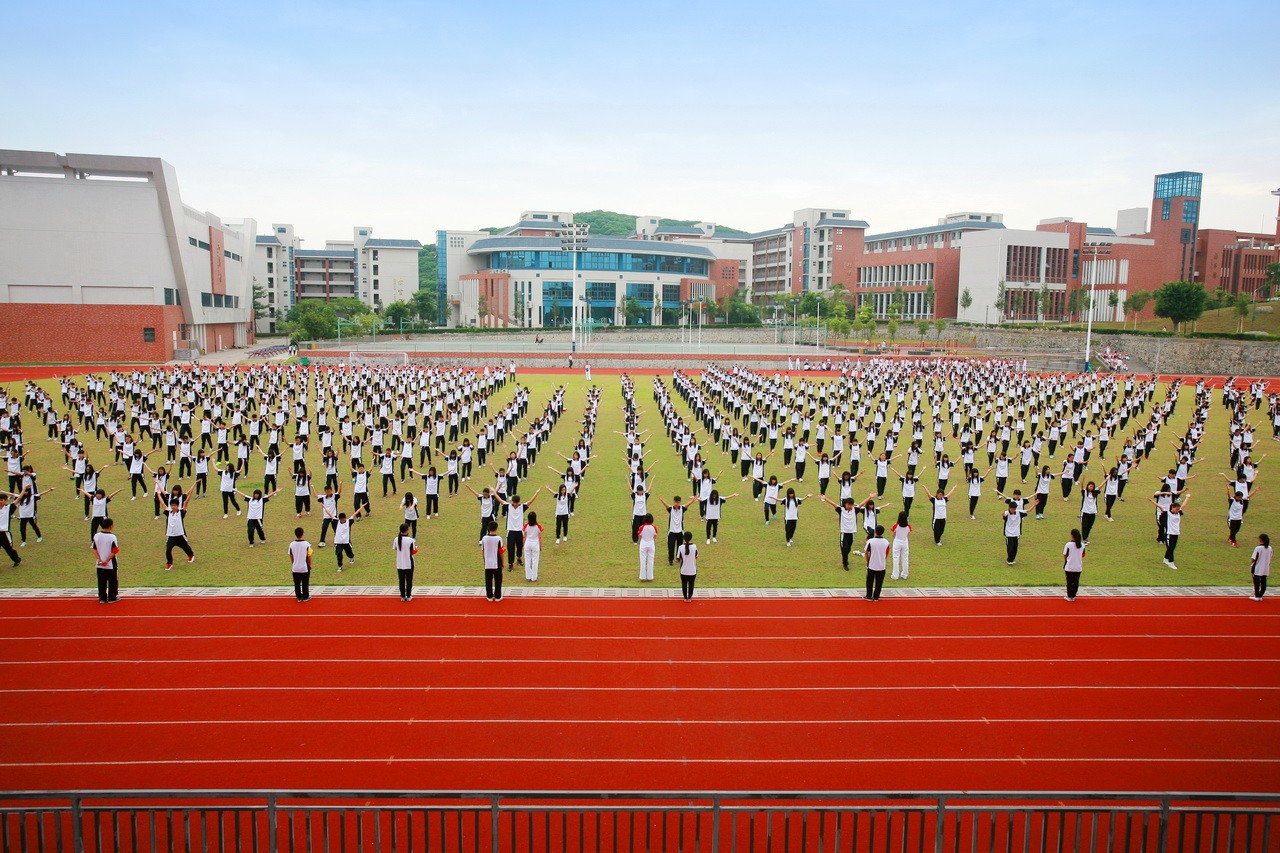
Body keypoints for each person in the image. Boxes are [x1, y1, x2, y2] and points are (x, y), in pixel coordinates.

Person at [91, 516, 120, 604]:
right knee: (113, 581)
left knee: (101, 581)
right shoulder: (112, 537)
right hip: (110, 564)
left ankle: (102, 598)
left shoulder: (96, 536)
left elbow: (94, 549)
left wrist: (99, 559)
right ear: (111, 526)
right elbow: (115, 550)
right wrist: (107, 560)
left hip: (99, 564)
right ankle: (112, 597)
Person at [163, 494, 195, 571]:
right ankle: (169, 563)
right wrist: (158, 494)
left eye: (174, 505)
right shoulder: (168, 513)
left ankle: (191, 555)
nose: (173, 507)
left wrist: (190, 494)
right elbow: (163, 504)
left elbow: (186, 502)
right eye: (172, 505)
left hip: (179, 535)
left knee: (185, 547)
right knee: (168, 550)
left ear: (177, 506)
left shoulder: (181, 513)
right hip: (171, 536)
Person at [863, 524, 890, 601]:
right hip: (881, 565)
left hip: (872, 565)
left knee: (869, 581)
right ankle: (876, 597)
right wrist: (882, 559)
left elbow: (866, 553)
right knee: (879, 582)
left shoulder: (870, 541)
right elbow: (887, 552)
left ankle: (869, 596)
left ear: (875, 532)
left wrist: (868, 561)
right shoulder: (886, 542)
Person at [393, 522, 419, 601]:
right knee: (409, 579)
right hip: (409, 563)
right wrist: (416, 549)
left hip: (400, 563)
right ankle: (408, 595)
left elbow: (395, 548)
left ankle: (403, 596)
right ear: (407, 530)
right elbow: (413, 551)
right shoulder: (410, 540)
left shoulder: (396, 539)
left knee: (401, 580)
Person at [480, 520, 505, 602]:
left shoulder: (484, 538)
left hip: (488, 562)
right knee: (498, 580)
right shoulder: (499, 538)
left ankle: (489, 596)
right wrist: (503, 562)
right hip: (496, 562)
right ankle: (498, 596)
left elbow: (483, 551)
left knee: (488, 579)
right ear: (496, 528)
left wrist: (484, 560)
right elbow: (501, 552)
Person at [287, 526, 312, 602]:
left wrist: (293, 563)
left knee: (297, 583)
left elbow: (291, 555)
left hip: (295, 567)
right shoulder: (307, 544)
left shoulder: (291, 544)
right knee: (305, 582)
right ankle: (305, 596)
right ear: (302, 534)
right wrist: (310, 564)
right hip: (304, 567)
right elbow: (309, 555)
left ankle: (298, 597)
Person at [1063, 528, 1085, 601]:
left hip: (1069, 566)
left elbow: (1065, 555)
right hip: (1078, 566)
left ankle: (1069, 596)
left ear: (1072, 535)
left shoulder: (1068, 544)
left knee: (1069, 581)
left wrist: (1068, 560)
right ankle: (1073, 596)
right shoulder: (1082, 545)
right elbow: (1083, 555)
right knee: (1076, 581)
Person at [676, 530, 698, 601]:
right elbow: (696, 556)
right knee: (691, 584)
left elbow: (678, 557)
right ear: (691, 538)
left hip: (683, 570)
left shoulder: (680, 547)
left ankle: (685, 598)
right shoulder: (694, 546)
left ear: (684, 538)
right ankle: (690, 598)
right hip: (692, 570)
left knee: (684, 584)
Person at [890, 510, 911, 581]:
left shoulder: (895, 526)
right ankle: (905, 574)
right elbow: (908, 535)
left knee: (896, 558)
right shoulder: (908, 526)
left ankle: (895, 575)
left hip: (897, 542)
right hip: (905, 542)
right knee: (905, 558)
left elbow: (893, 535)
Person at [522, 510, 543, 582]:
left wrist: (523, 544)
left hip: (527, 543)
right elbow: (540, 537)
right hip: (535, 544)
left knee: (527, 561)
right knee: (535, 561)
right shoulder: (538, 526)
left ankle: (528, 576)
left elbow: (524, 537)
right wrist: (540, 546)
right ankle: (534, 577)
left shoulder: (526, 525)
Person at [636, 512, 658, 581]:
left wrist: (639, 542)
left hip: (643, 543)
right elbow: (655, 536)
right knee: (650, 560)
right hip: (651, 543)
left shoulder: (642, 527)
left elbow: (639, 535)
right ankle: (650, 577)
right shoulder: (654, 527)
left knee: (643, 560)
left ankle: (642, 577)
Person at [1250, 533, 1272, 600]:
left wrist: (1251, 565)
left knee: (1256, 581)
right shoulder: (1270, 548)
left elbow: (1254, 558)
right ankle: (1260, 595)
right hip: (1265, 567)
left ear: (1261, 540)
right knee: (1263, 581)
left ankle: (1257, 595)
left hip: (1257, 567)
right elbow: (1271, 557)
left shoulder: (1258, 548)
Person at [0, 494, 19, 568]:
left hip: (4, 533)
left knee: (9, 549)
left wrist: (24, 491)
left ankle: (17, 560)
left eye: (2, 500)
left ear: (5, 500)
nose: (0, 501)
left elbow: (18, 499)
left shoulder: (8, 508)